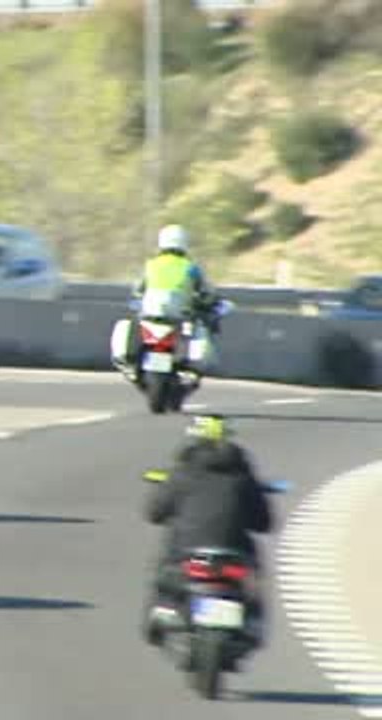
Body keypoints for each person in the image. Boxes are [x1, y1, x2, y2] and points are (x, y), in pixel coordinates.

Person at [142, 415, 273, 650]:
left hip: (186, 552)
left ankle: (159, 611)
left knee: (164, 570)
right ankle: (252, 623)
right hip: (234, 552)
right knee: (255, 579)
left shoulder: (182, 473)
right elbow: (263, 523)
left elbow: (155, 513)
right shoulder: (242, 477)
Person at [117, 225, 221, 373]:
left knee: (133, 323)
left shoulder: (151, 265)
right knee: (197, 327)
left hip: (150, 315)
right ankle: (189, 366)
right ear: (184, 244)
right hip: (178, 317)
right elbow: (207, 291)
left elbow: (137, 289)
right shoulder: (190, 267)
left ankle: (131, 360)